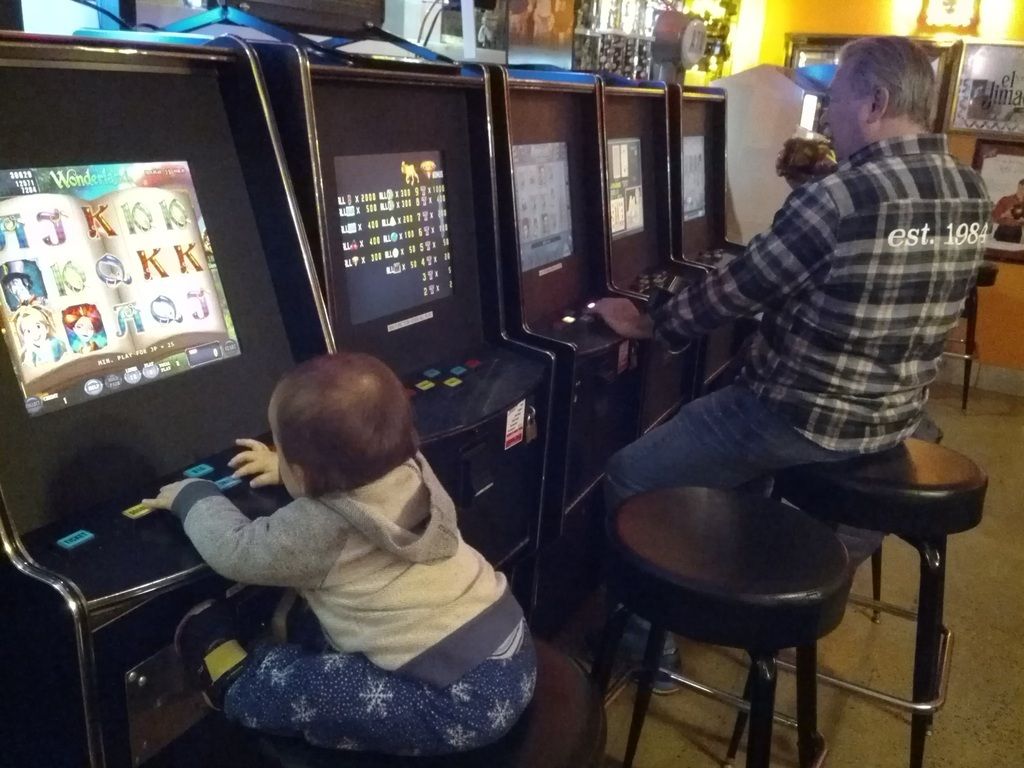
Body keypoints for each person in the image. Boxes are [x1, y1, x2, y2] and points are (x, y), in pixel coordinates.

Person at [594, 37, 992, 539]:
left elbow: (739, 289)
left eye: (835, 100)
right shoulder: (969, 189)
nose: (827, 116)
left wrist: (646, 322)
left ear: (875, 103)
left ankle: (659, 592)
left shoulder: (840, 196)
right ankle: (757, 555)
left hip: (802, 419)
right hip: (896, 416)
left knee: (631, 472)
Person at [142, 352, 535, 755]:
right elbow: (350, 468)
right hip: (511, 643)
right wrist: (297, 469)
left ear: (304, 472)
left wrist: (194, 495)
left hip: (460, 706)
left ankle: (235, 684)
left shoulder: (324, 525)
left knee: (317, 691)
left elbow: (234, 550)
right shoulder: (413, 470)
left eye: (281, 448)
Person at [992, 178, 1024, 243]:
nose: (1022, 191)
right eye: (1022, 188)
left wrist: (1022, 221)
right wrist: (1004, 215)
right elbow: (994, 217)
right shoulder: (1006, 200)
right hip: (1003, 230)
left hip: (1016, 232)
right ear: (1019, 186)